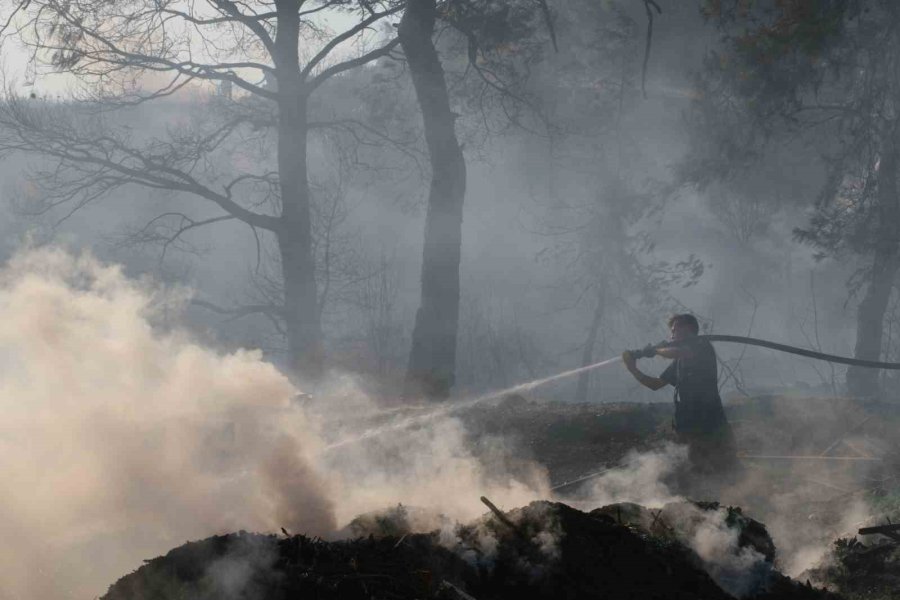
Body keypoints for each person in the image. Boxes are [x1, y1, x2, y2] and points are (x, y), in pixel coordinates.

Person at [622, 314, 737, 475]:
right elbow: (655, 384)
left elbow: (682, 353)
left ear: (687, 329)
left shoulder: (701, 345)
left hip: (711, 423)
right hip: (688, 426)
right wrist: (632, 369)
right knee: (693, 474)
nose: (671, 335)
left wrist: (656, 351)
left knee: (725, 471)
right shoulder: (678, 363)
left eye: (674, 330)